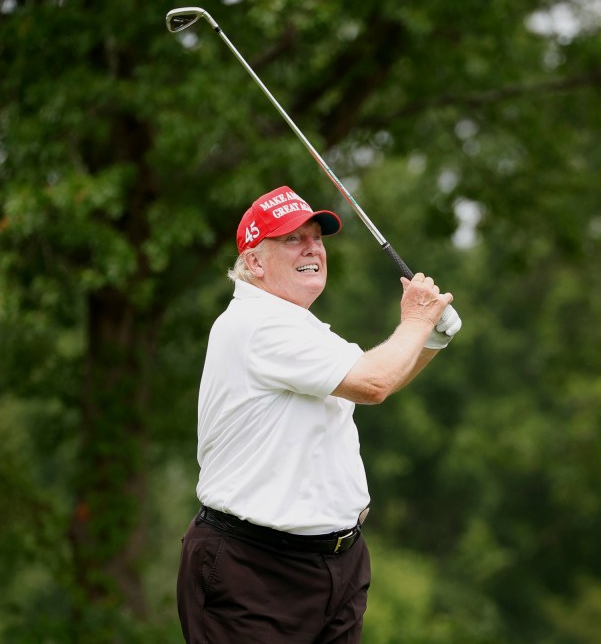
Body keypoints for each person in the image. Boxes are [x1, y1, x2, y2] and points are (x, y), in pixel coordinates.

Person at [177, 185, 461, 643]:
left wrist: (428, 338)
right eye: (291, 239)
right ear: (254, 262)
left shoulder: (300, 327)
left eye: (317, 238)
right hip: (255, 570)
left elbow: (375, 378)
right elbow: (375, 383)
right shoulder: (257, 324)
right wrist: (416, 321)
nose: (312, 248)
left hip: (335, 566)